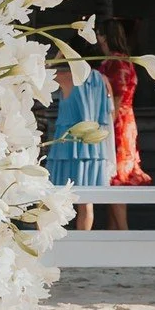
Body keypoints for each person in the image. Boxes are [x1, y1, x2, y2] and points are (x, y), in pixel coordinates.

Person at [47, 62, 115, 231]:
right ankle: (82, 245)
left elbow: (42, 73)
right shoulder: (103, 79)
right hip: (92, 145)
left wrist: (55, 58)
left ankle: (53, 242)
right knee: (87, 202)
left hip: (67, 145)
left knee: (55, 197)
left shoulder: (67, 77)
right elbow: (110, 114)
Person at [99, 19, 152, 232]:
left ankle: (123, 232)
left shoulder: (115, 62)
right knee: (116, 176)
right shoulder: (127, 61)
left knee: (116, 176)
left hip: (117, 121)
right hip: (127, 119)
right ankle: (114, 231)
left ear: (104, 36)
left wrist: (106, 127)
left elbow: (117, 95)